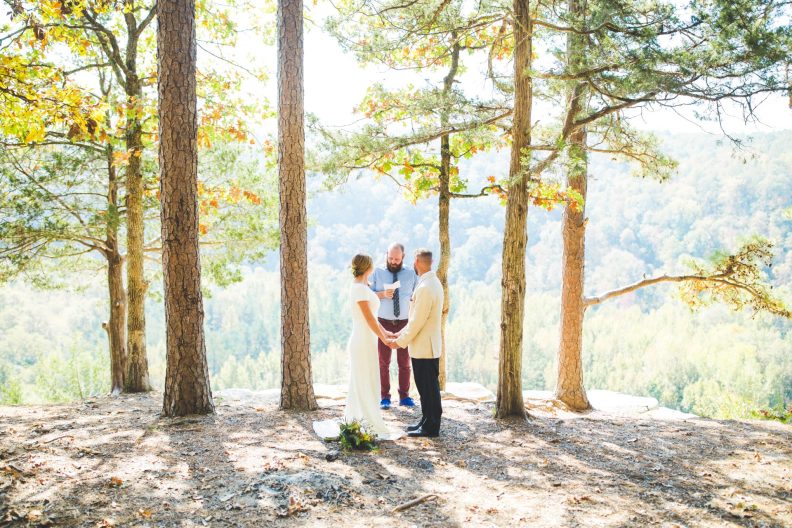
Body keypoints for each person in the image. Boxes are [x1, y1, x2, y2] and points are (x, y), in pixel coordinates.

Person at [386, 249, 444, 438]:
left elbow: (417, 321)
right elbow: (415, 320)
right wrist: (398, 336)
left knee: (428, 389)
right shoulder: (430, 283)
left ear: (417, 261)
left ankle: (431, 426)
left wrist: (399, 342)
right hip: (426, 345)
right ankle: (426, 421)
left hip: (424, 347)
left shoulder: (427, 287)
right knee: (426, 388)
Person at [343, 254, 400, 440]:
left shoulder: (364, 287)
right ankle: (364, 419)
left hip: (368, 339)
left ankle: (363, 417)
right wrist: (383, 337)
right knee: (362, 379)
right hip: (362, 339)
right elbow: (368, 319)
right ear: (368, 267)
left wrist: (385, 333)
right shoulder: (359, 289)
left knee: (369, 377)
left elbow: (373, 319)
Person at [370, 243, 418, 410]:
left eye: (397, 259)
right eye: (390, 258)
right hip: (383, 322)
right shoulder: (378, 272)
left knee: (404, 362)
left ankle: (404, 396)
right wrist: (382, 294)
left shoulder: (411, 274)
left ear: (403, 257)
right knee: (384, 362)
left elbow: (417, 295)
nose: (393, 261)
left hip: (404, 323)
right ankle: (384, 397)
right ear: (387, 255)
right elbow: (368, 296)